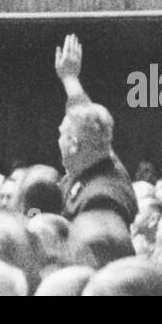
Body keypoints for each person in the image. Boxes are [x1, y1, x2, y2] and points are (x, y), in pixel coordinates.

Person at [52, 34, 137, 226]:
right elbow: (88, 119)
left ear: (73, 145)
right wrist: (69, 77)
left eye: (61, 135)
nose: (58, 140)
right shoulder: (101, 155)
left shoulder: (101, 198)